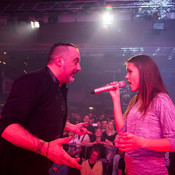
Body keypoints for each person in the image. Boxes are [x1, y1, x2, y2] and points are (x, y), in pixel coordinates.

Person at [0, 43, 91, 175]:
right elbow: (6, 126)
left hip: (38, 165)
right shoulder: (32, 81)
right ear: (59, 61)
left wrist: (72, 127)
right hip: (18, 167)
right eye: (75, 62)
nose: (79, 68)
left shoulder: (57, 87)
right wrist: (45, 148)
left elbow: (43, 117)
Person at [109, 55, 175, 174]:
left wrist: (141, 142)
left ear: (144, 73)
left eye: (130, 71)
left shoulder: (161, 100)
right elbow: (123, 131)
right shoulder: (134, 100)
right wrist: (116, 99)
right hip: (130, 170)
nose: (126, 76)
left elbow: (173, 141)